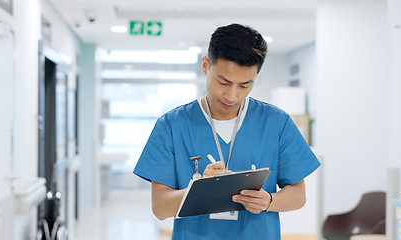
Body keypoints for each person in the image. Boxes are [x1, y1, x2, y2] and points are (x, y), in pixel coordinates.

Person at [133, 23, 320, 239]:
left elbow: (298, 196)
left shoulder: (276, 122)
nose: (231, 96)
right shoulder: (172, 125)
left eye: (244, 85)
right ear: (205, 66)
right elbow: (160, 207)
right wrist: (199, 191)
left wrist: (269, 200)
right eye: (223, 81)